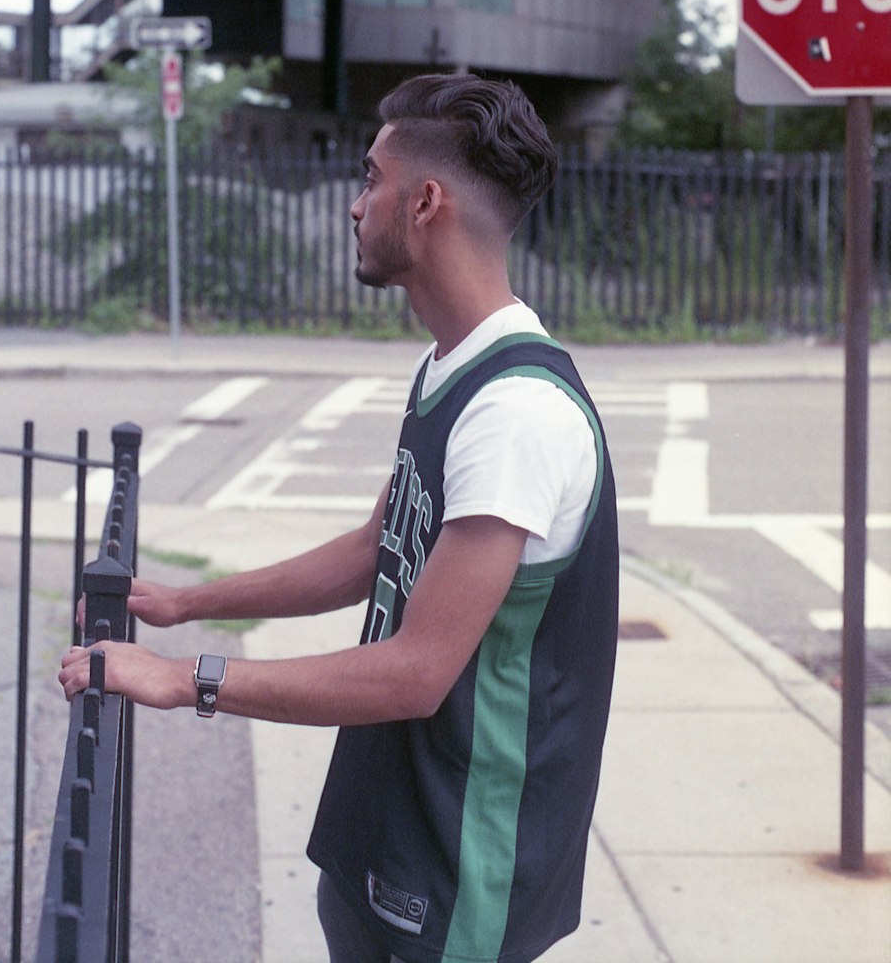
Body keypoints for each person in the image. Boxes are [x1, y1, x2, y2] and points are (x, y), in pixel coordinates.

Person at [60, 73, 619, 963]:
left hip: (456, 866)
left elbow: (415, 674)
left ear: (425, 201)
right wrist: (185, 601)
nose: (357, 206)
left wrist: (185, 680)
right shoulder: (450, 365)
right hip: (381, 824)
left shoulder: (518, 410)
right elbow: (376, 548)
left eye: (371, 180)